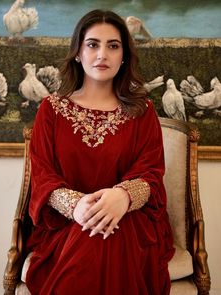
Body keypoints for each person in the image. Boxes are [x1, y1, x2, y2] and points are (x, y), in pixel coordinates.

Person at [26, 9, 175, 295]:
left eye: (113, 46)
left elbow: (152, 174)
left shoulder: (143, 112)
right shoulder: (51, 110)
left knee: (106, 234)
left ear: (124, 56)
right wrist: (77, 207)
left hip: (131, 220)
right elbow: (43, 175)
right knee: (93, 235)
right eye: (93, 44)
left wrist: (123, 197)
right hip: (64, 223)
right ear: (78, 53)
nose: (102, 54)